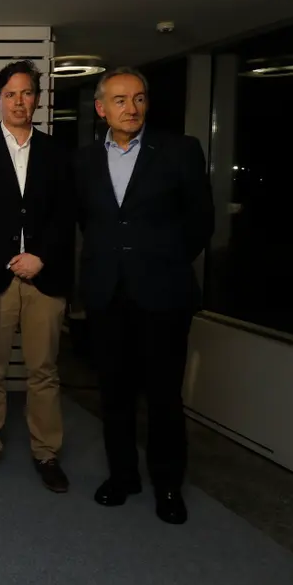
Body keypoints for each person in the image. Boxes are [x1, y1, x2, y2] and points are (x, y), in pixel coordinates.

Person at [73, 68, 214, 525]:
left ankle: (168, 485)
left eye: (138, 99)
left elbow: (201, 221)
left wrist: (160, 261)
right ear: (101, 109)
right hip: (107, 292)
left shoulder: (180, 150)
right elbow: (90, 223)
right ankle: (122, 476)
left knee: (163, 395)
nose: (130, 108)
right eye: (119, 100)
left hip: (163, 293)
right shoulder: (85, 160)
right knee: (114, 392)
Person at [0, 60, 74, 493]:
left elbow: (67, 215)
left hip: (44, 276)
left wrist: (40, 256)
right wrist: (7, 258)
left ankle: (47, 453)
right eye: (11, 94)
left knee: (44, 371)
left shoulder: (58, 152)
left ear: (37, 100)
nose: (19, 101)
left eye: (27, 93)